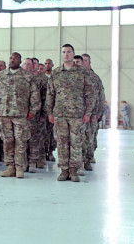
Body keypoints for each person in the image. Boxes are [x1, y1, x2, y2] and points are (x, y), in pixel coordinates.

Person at [45, 44, 94, 182]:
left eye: (68, 52)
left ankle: (74, 170)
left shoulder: (82, 72)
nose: (66, 54)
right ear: (61, 54)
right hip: (60, 114)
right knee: (62, 143)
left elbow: (90, 94)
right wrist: (50, 112)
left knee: (76, 143)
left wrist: (88, 113)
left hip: (77, 114)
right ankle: (64, 170)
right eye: (63, 52)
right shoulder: (56, 73)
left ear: (73, 54)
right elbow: (50, 94)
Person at [0, 52, 40, 179]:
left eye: (15, 58)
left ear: (20, 61)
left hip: (21, 114)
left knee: (21, 141)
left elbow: (35, 95)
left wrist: (33, 110)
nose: (12, 60)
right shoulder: (1, 76)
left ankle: (20, 167)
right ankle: (10, 166)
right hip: (4, 114)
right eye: (11, 58)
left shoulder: (27, 76)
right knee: (7, 141)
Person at [81, 53, 105, 172]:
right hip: (80, 113)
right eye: (82, 60)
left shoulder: (95, 78)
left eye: (85, 61)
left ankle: (89, 158)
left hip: (92, 114)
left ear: (89, 63)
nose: (83, 62)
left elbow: (100, 96)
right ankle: (80, 160)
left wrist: (98, 112)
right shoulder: (78, 76)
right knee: (80, 138)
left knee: (90, 137)